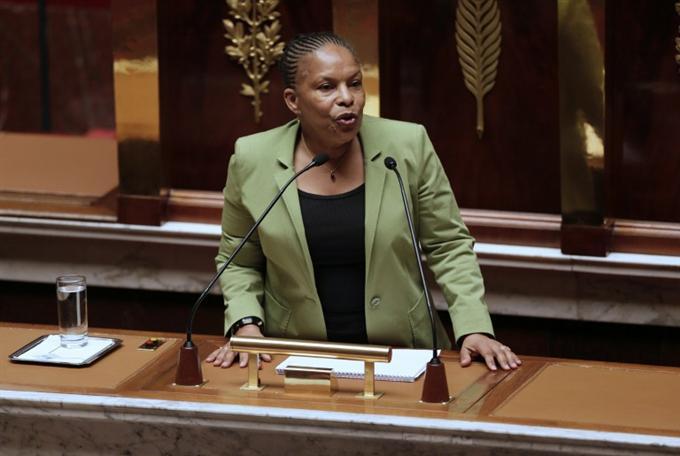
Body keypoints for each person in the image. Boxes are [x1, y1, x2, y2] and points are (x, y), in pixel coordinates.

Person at [206, 31, 520, 372]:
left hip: (402, 353)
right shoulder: (253, 158)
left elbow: (448, 245)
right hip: (295, 356)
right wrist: (246, 324)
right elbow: (238, 258)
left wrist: (473, 327)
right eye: (327, 87)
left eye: (354, 83)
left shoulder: (406, 145)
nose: (348, 98)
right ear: (293, 100)